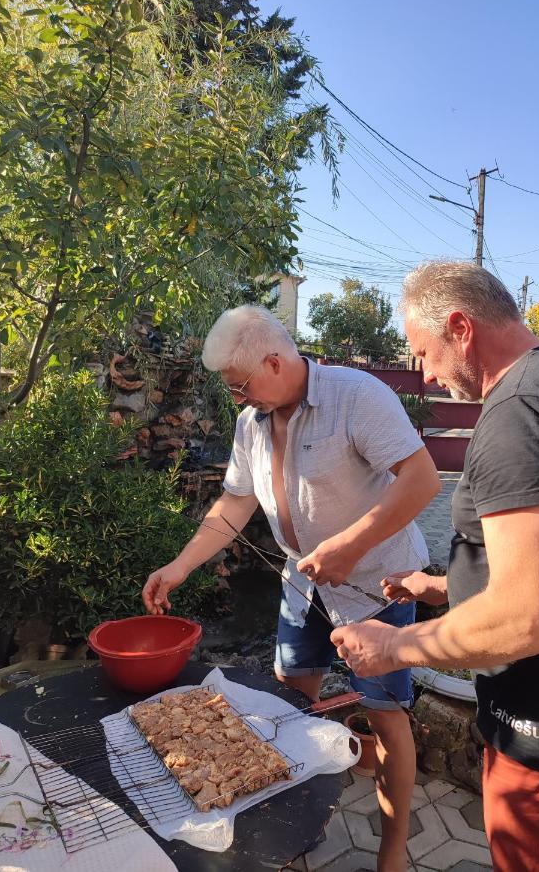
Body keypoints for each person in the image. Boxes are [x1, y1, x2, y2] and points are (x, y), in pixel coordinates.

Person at [331, 261, 539, 872]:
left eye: (423, 352)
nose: (423, 372)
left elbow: (526, 621)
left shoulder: (521, 409)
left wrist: (394, 646)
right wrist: (439, 584)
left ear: (460, 327)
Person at [142, 305, 441, 872]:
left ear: (274, 362)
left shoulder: (358, 396)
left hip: (381, 589)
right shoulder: (250, 422)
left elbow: (422, 479)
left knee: (386, 715)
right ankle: (291, 823)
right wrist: (182, 565)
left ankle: (394, 846)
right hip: (303, 587)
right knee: (289, 703)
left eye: (239, 386)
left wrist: (350, 546)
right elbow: (234, 502)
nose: (236, 398)